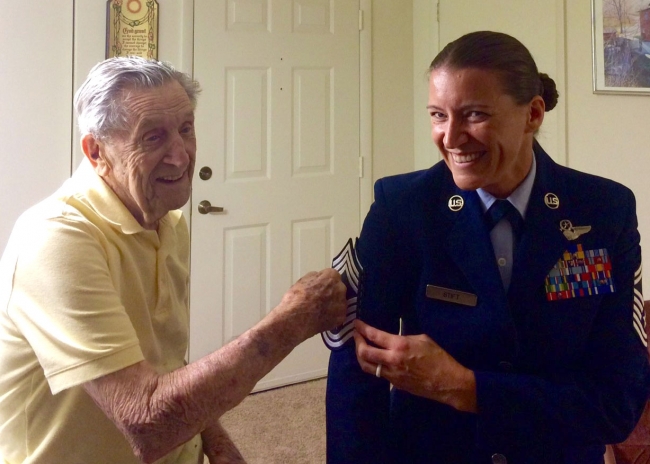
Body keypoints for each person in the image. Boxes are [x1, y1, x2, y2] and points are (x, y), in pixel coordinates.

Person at [0, 56, 347, 464]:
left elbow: (164, 363)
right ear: (97, 151)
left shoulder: (168, 221)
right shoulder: (56, 238)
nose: (181, 157)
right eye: (153, 138)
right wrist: (295, 318)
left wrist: (213, 440)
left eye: (186, 129)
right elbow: (147, 422)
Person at [326, 31, 650, 464]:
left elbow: (617, 403)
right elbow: (356, 381)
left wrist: (465, 387)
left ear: (533, 114)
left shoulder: (604, 211)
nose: (451, 137)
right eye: (438, 115)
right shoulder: (402, 209)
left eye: (474, 114)